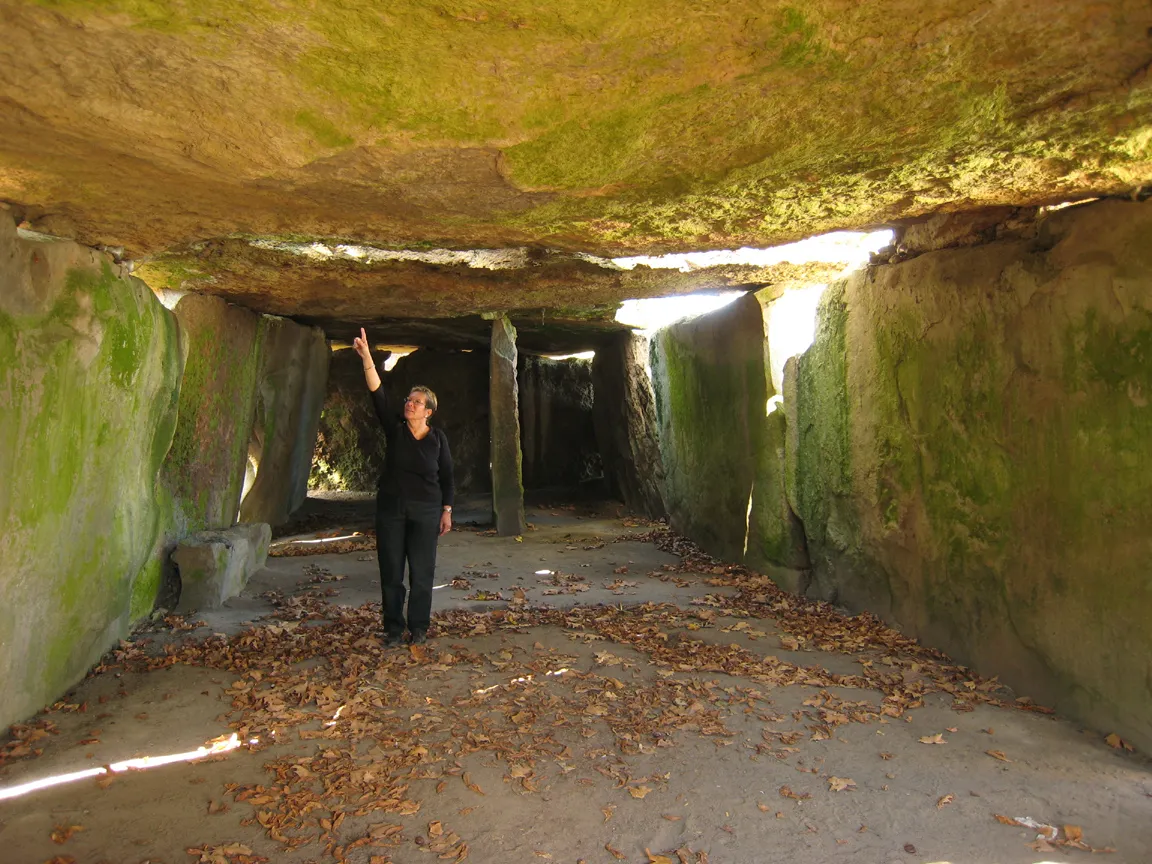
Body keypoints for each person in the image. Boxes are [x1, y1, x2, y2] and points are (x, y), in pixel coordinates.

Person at [352, 328, 454, 646]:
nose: (410, 404)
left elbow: (448, 476)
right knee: (392, 572)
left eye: (417, 402)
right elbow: (378, 393)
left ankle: (419, 628)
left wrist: (447, 510)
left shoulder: (438, 440)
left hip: (426, 511)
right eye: (409, 400)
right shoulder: (395, 430)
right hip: (391, 509)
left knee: (422, 573)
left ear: (429, 412)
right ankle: (394, 629)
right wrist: (368, 357)